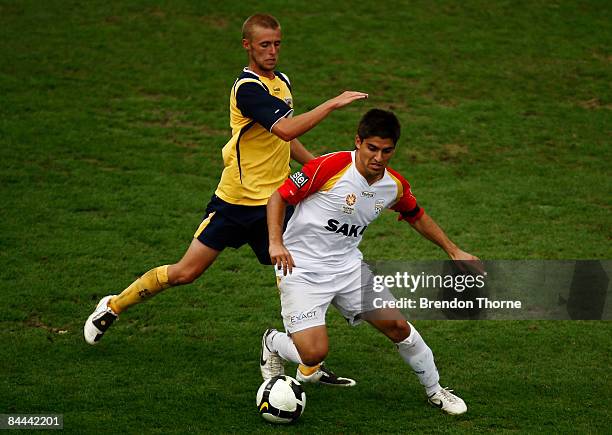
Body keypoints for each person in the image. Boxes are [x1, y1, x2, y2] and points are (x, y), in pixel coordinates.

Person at [84, 13, 367, 386]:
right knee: (186, 273)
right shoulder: (247, 89)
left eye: (277, 44)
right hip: (234, 204)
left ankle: (307, 363)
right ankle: (114, 306)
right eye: (264, 44)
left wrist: (316, 167)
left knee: (300, 276)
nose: (272, 51)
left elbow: (282, 139)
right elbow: (284, 127)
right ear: (247, 45)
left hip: (275, 204)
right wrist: (331, 104)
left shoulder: (282, 82)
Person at [260, 108, 479, 414]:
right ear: (358, 142)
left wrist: (453, 250)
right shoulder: (331, 166)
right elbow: (278, 197)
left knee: (398, 327)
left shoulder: (393, 185)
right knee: (312, 354)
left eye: (386, 151)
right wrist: (275, 242)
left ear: (394, 150)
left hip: (349, 268)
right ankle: (272, 342)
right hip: (302, 269)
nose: (378, 157)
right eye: (372, 148)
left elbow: (416, 215)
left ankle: (436, 390)